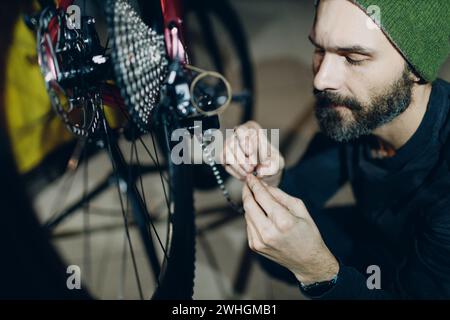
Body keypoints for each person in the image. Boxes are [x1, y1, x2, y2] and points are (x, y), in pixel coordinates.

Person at [222, 0, 450, 299]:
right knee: (274, 250)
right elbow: (307, 187)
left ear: (416, 69)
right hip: (382, 240)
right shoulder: (363, 112)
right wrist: (270, 176)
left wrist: (320, 273)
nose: (321, 79)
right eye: (319, 50)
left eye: (353, 58)